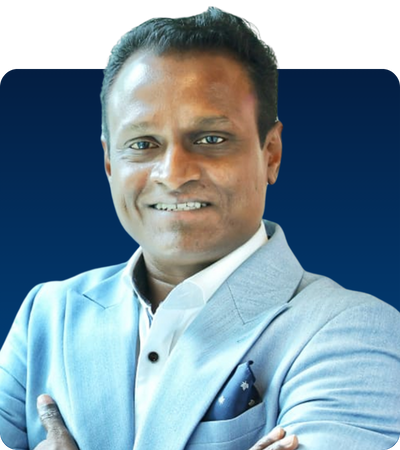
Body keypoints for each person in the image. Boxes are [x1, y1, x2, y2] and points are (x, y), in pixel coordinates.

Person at [1, 4, 400, 450]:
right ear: (110, 162)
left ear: (271, 154)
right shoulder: (46, 315)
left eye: (211, 139)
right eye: (143, 143)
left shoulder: (356, 330)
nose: (173, 174)